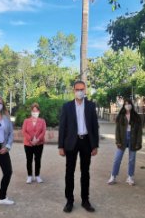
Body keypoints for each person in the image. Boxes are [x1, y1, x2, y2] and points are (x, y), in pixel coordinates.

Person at [58, 80, 100, 213]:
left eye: (82, 89)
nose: (80, 92)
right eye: (77, 89)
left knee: (85, 172)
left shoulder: (91, 106)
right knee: (69, 173)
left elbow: (94, 126)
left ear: (85, 90)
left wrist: (95, 145)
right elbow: (62, 127)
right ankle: (69, 201)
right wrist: (60, 146)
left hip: (86, 142)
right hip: (71, 142)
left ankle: (85, 200)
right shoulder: (67, 106)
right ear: (73, 90)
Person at [107, 98, 143, 186]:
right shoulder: (120, 116)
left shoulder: (136, 116)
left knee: (132, 159)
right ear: (124, 105)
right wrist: (117, 141)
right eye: (126, 104)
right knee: (117, 158)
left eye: (129, 103)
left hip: (133, 138)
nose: (127, 105)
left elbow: (139, 131)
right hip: (123, 139)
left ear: (132, 105)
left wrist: (139, 142)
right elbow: (117, 130)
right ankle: (113, 176)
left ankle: (130, 177)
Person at [22, 102, 47, 184]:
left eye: (36, 111)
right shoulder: (26, 121)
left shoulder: (42, 121)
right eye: (33, 111)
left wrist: (37, 140)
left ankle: (37, 176)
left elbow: (43, 132)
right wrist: (30, 140)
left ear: (39, 112)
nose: (34, 113)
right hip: (28, 144)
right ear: (31, 112)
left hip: (39, 144)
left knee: (38, 160)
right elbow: (24, 131)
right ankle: (29, 176)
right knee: (29, 160)